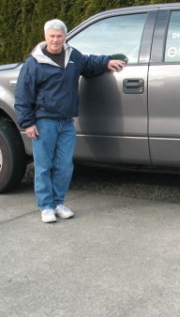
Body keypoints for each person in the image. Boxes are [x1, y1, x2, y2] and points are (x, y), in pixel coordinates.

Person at [14, 19, 125, 223]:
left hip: (66, 122)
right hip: (43, 122)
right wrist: (27, 122)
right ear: (45, 36)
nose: (55, 40)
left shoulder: (73, 56)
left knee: (65, 166)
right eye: (52, 36)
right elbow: (22, 96)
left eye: (59, 36)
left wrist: (106, 62)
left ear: (65, 37)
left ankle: (58, 203)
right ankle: (46, 206)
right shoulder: (34, 63)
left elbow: (89, 63)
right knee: (44, 165)